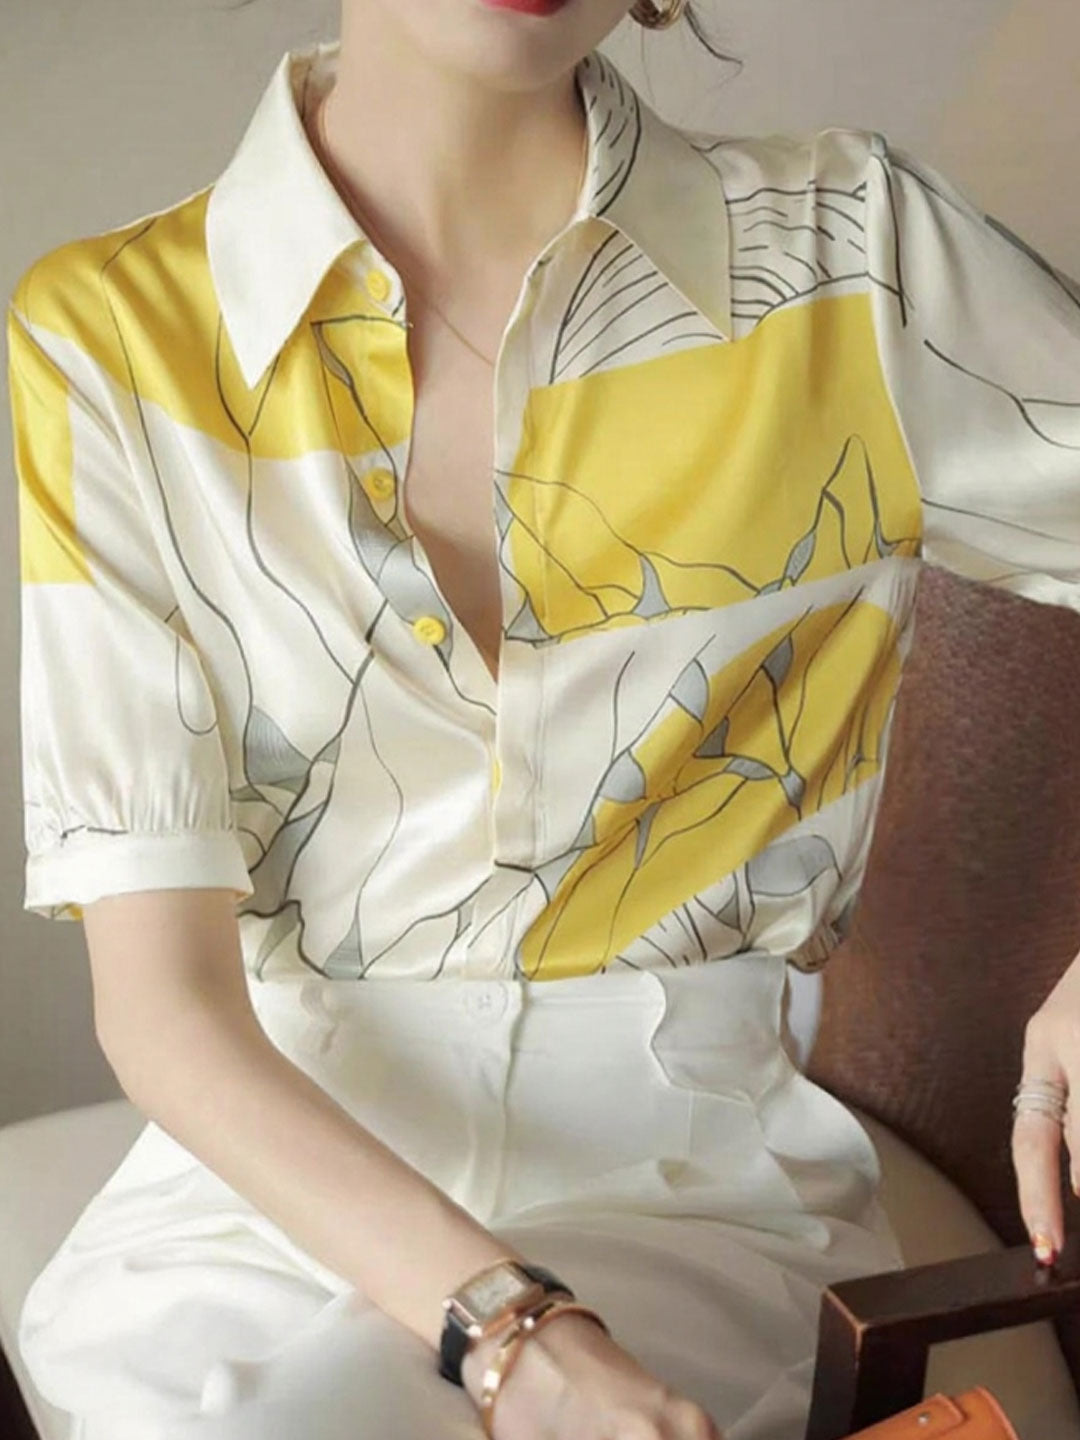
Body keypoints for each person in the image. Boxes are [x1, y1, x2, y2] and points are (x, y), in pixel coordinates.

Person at [7, 1, 1080, 1437]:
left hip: (685, 1187)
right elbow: (164, 1009)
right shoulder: (109, 334)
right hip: (268, 1200)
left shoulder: (849, 255)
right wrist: (518, 1332)